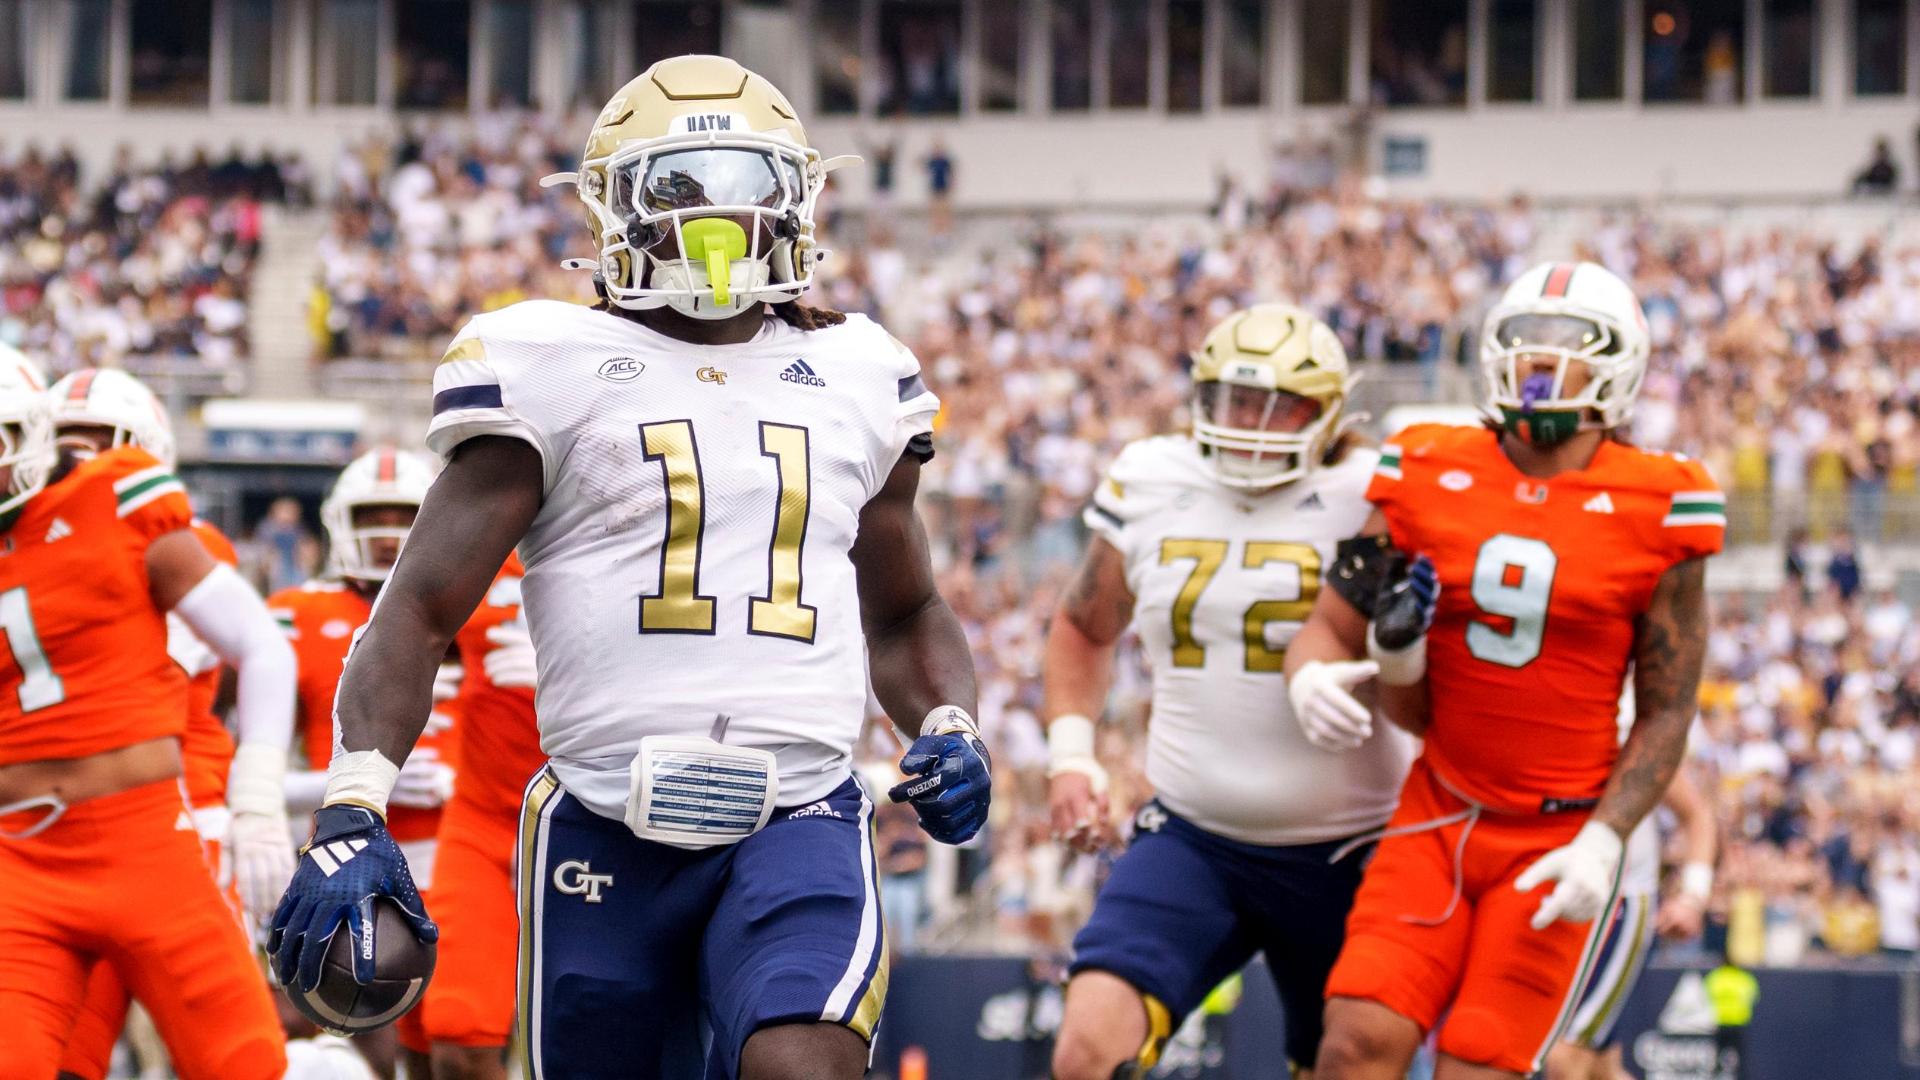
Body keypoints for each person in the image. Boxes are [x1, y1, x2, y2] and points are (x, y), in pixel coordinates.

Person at [269, 55, 987, 1080]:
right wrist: (353, 802)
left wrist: (950, 724)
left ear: (798, 199)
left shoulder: (857, 370)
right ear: (610, 206)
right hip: (603, 825)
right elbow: (418, 610)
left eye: (751, 186)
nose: (720, 221)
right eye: (679, 188)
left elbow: (908, 608)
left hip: (801, 812)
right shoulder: (548, 362)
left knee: (800, 1064)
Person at [1287, 260, 1723, 1079]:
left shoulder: (1664, 503)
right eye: (1525, 344)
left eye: (1571, 348)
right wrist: (1325, 671)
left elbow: (1667, 709)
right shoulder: (1424, 465)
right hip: (1438, 808)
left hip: (1559, 830)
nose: (1540, 366)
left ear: (1620, 366)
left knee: (1482, 1064)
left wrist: (1605, 841)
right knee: (1352, 1042)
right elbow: (1336, 634)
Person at [1045, 303, 1414, 1079]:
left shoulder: (1374, 489)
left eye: (1282, 404)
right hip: (1195, 836)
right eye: (1236, 399)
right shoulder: (1152, 476)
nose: (1253, 421)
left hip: (1356, 847)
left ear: (1331, 414)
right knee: (1086, 1050)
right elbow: (1084, 624)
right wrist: (1071, 756)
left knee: (1349, 1062)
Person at [0, 350, 292, 1078]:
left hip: (144, 835)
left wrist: (255, 801)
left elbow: (260, 644)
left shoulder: (114, 499)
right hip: (18, 859)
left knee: (246, 1061)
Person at [266, 447, 460, 1078]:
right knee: (332, 1026)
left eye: (402, 515)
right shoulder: (297, 613)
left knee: (454, 1038)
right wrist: (325, 790)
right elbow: (243, 748)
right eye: (370, 515)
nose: (385, 535)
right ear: (338, 522)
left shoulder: (484, 604)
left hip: (463, 853)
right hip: (340, 858)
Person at [414, 557, 542, 1079]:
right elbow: (397, 636)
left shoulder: (650, 517)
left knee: (602, 1040)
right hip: (482, 818)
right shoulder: (482, 525)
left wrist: (594, 672)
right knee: (459, 1039)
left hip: (605, 818)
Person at [1547, 765, 1717, 1080]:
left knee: (1565, 1056)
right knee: (1601, 1068)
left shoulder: (1630, 728)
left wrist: (1693, 895)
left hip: (1619, 906)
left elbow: (1697, 814)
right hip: (1556, 906)